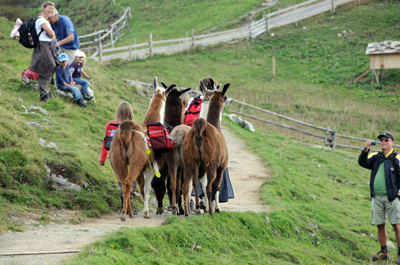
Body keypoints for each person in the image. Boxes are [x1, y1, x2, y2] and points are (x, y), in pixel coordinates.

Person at [358, 132, 400, 263]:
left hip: (392, 197)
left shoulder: (397, 158)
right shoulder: (376, 156)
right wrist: (366, 149)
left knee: (397, 225)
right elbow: (363, 162)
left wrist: (397, 194)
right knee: (380, 224)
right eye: (381, 140)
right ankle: (384, 252)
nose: (383, 142)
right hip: (376, 197)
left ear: (392, 142)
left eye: (386, 140)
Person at [100, 101, 139, 215]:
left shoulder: (110, 125)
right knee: (133, 179)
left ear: (117, 112)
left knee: (121, 181)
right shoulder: (134, 126)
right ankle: (129, 204)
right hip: (131, 158)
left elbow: (106, 142)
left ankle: (125, 204)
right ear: (131, 113)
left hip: (114, 158)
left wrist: (103, 159)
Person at [30, 1, 58, 102]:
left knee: (54, 64)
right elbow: (51, 33)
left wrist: (52, 34)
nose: (51, 10)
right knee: (47, 66)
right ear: (43, 8)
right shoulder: (40, 20)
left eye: (52, 8)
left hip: (48, 45)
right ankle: (44, 95)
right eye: (49, 8)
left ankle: (47, 91)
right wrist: (52, 33)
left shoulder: (46, 21)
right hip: (43, 45)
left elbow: (52, 35)